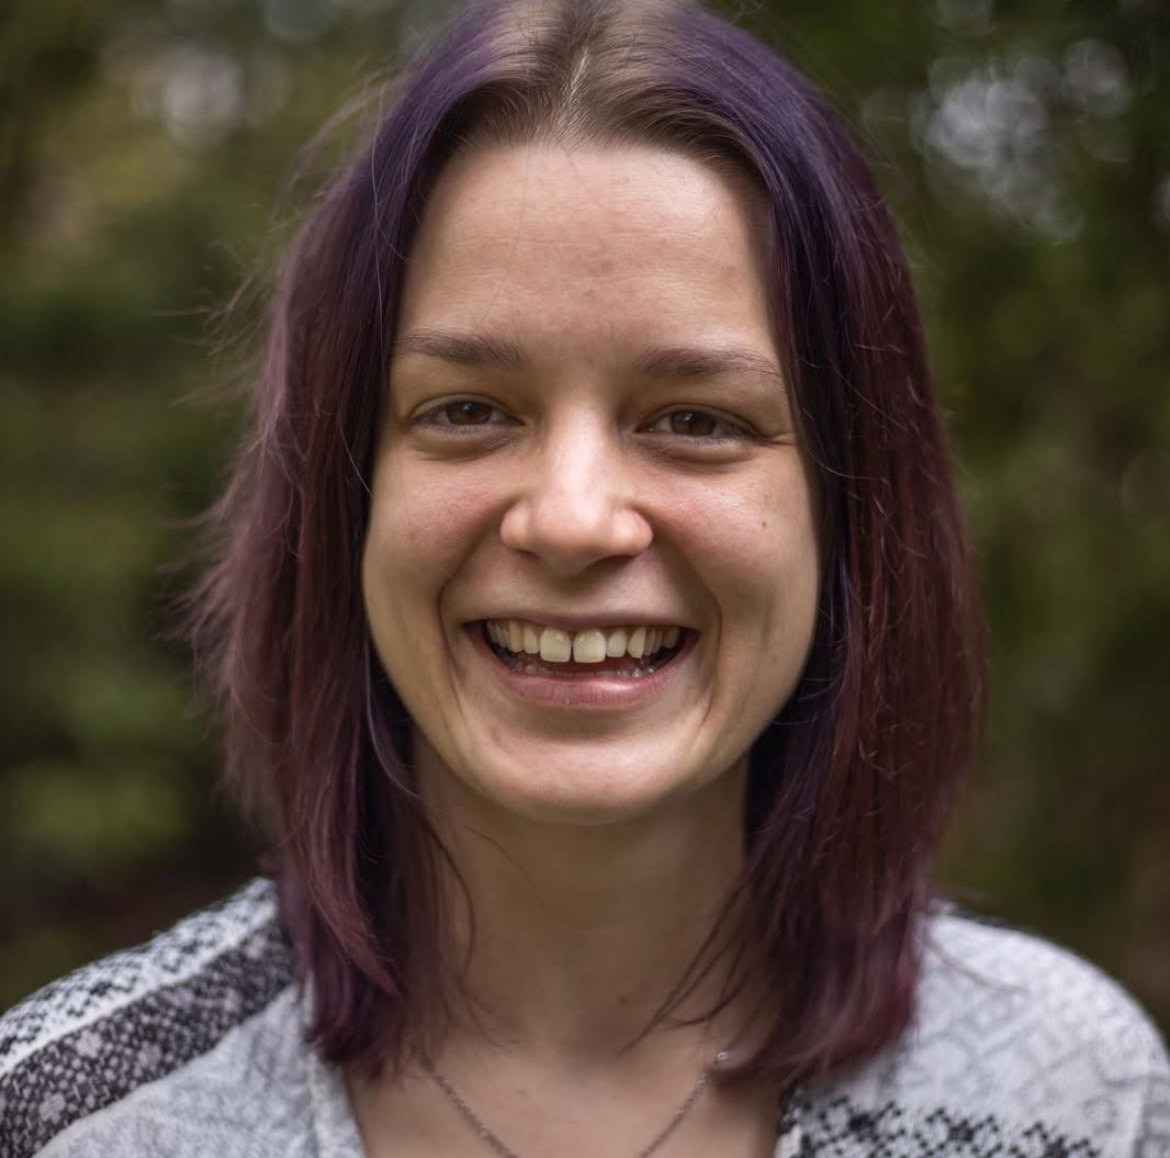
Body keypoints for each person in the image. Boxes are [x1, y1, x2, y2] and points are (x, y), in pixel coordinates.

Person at [1, 0, 1167, 1154]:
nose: (571, 520)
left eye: (696, 419)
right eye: (467, 410)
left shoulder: (1070, 1098)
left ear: (849, 506)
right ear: (343, 495)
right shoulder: (79, 1122)